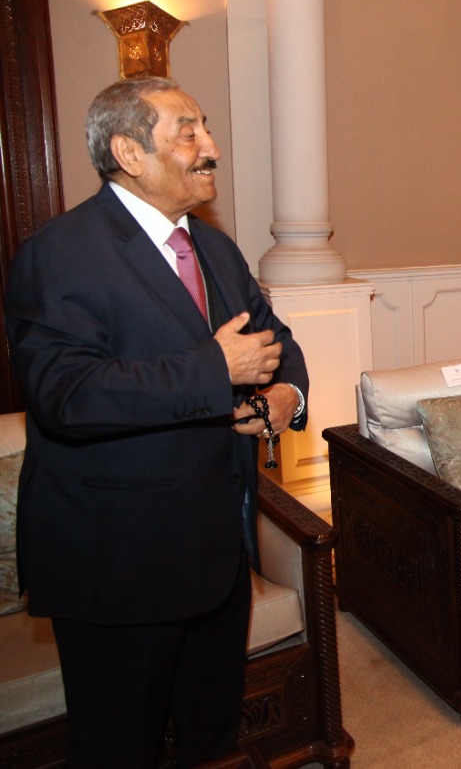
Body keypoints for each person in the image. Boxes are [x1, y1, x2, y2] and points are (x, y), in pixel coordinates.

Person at [6, 76, 308, 768]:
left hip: (220, 556)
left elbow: (276, 339)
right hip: (120, 566)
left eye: (207, 128)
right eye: (189, 131)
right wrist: (213, 369)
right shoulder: (58, 252)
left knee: (212, 739)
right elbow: (65, 394)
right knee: (119, 748)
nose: (212, 147)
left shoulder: (215, 248)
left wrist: (286, 394)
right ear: (128, 152)